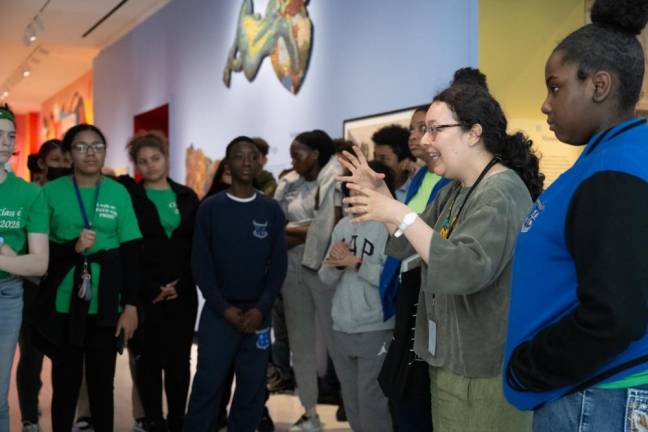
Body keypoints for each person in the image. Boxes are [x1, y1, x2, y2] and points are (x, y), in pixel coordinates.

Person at [339, 80, 543, 431]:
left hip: (482, 371)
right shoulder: (453, 190)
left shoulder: (502, 191)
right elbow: (406, 245)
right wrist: (383, 196)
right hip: (448, 360)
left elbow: (466, 268)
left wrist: (397, 213)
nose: (425, 141)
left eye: (435, 129)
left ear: (473, 133)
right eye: (423, 130)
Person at [503, 0, 648, 430]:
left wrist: (527, 368)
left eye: (555, 87)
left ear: (599, 85)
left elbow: (614, 313)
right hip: (591, 394)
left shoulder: (616, 172)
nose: (546, 105)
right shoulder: (608, 162)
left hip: (595, 397)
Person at [33, 123, 141, 432]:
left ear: (105, 152)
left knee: (102, 385)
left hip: (106, 304)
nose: (90, 153)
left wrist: (131, 305)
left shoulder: (118, 192)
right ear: (68, 155)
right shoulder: (50, 192)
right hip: (64, 302)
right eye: (81, 147)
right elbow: (41, 252)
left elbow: (132, 252)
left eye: (97, 146)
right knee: (65, 385)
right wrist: (73, 247)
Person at [184, 136, 287, 431]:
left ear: (259, 163)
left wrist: (262, 308)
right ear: (227, 164)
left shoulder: (270, 210)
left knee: (253, 390)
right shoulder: (211, 208)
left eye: (251, 157)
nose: (245, 162)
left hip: (258, 315)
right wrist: (223, 307)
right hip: (219, 314)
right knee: (208, 384)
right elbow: (200, 265)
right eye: (238, 157)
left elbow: (278, 266)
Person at [119, 131, 199, 432]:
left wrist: (180, 284)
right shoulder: (131, 198)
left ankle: (178, 420)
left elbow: (197, 246)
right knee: (148, 361)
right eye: (143, 161)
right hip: (145, 293)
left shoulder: (187, 196)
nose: (150, 166)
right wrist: (151, 289)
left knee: (179, 361)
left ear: (166, 157)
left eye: (156, 158)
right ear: (136, 165)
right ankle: (153, 419)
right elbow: (129, 248)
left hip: (183, 291)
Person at [318, 160, 396, 432]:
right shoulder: (342, 226)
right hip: (341, 327)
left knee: (372, 403)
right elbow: (324, 278)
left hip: (375, 328)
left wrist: (357, 263)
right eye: (348, 187)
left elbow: (394, 281)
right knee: (351, 402)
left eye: (357, 186)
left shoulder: (389, 226)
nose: (352, 193)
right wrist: (337, 264)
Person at [274, 130, 342, 431]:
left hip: (325, 269)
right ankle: (309, 412)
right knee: (300, 345)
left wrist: (293, 230)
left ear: (315, 154)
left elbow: (330, 228)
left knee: (338, 344)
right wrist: (303, 228)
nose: (292, 161)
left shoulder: (334, 179)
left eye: (297, 154)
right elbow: (275, 226)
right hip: (292, 269)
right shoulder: (289, 184)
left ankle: (356, 411)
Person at [0, 104, 49, 432]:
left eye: (11, 135)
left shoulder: (29, 193)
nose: (5, 141)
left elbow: (39, 263)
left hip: (7, 296)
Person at [371, 125, 416, 202]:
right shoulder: (368, 191)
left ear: (404, 163)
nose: (376, 164)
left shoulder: (417, 191)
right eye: (375, 157)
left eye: (383, 159)